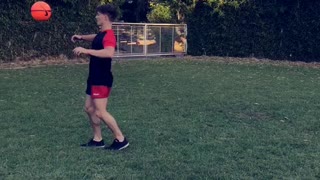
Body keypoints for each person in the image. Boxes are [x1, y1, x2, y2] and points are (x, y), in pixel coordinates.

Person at [71, 4, 129, 151]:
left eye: (98, 15)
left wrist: (86, 51)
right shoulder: (101, 34)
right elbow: (96, 38)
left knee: (100, 112)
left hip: (101, 78)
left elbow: (109, 52)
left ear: (105, 16)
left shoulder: (109, 35)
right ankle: (98, 140)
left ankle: (121, 139)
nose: (96, 17)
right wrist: (81, 38)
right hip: (94, 76)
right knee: (89, 108)